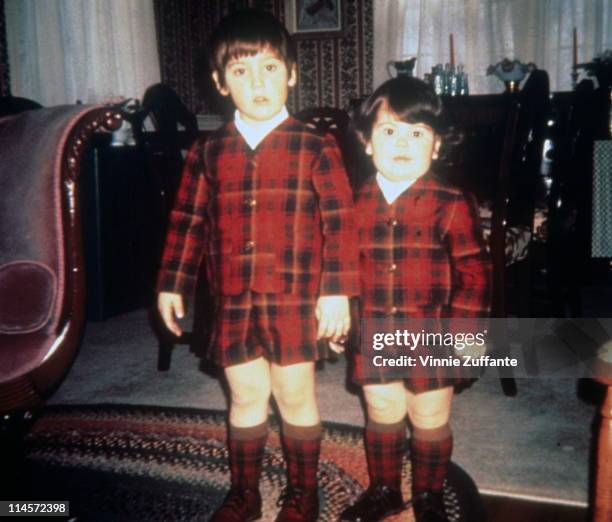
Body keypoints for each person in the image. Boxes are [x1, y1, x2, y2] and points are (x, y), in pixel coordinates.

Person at [156, 9, 358, 522]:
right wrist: (172, 283)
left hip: (294, 298)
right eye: (241, 72)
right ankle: (243, 492)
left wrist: (335, 292)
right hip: (231, 300)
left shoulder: (317, 145)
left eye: (269, 68)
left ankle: (302, 491)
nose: (258, 82)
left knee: (295, 397)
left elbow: (342, 224)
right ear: (221, 83)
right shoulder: (206, 150)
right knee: (244, 397)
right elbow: (187, 222)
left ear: (291, 73)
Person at [338, 77, 491, 522]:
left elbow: (475, 275)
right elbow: (341, 269)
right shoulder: (352, 202)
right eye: (389, 132)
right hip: (374, 331)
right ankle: (384, 488)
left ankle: (427, 494)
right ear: (367, 143)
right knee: (382, 409)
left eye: (417, 133)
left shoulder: (452, 202)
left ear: (437, 145)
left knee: (429, 415)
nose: (402, 143)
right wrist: (340, 319)